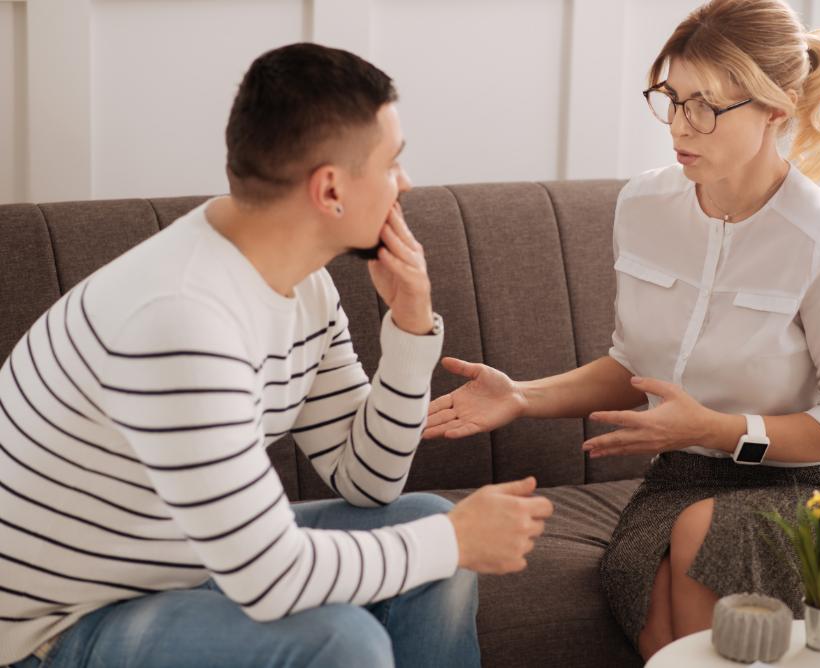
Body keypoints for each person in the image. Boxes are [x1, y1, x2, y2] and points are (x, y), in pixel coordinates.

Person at [0, 43, 553, 668]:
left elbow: (368, 481)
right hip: (61, 626)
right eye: (393, 163)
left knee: (424, 526)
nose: (406, 184)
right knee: (348, 634)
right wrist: (453, 540)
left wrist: (409, 327)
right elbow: (268, 578)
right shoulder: (180, 320)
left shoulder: (301, 285)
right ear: (331, 189)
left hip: (186, 566)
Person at [424, 0, 820, 660]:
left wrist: (715, 429)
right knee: (661, 628)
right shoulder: (643, 206)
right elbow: (634, 366)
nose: (680, 125)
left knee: (703, 553)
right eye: (671, 98)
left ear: (776, 109)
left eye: (707, 105)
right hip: (680, 482)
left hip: (818, 493)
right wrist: (523, 396)